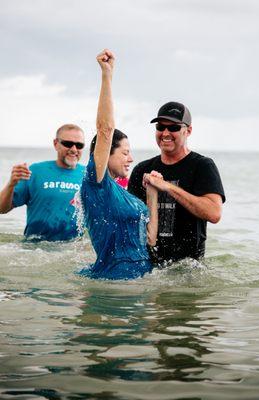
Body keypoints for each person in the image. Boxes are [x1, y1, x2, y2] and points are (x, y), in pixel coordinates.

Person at [79, 49, 160, 280]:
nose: (131, 159)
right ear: (105, 153)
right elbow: (105, 130)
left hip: (144, 278)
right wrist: (107, 76)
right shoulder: (97, 185)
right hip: (114, 280)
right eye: (125, 152)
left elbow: (151, 239)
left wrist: (152, 193)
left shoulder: (128, 197)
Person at [128, 101, 226, 265]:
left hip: (188, 268)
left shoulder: (202, 166)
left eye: (173, 128)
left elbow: (214, 213)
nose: (165, 133)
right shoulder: (142, 169)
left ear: (188, 131)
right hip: (147, 266)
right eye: (160, 127)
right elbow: (131, 220)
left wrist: (167, 186)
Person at [0, 124, 85, 241]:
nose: (74, 149)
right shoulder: (35, 171)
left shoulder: (88, 176)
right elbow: (2, 209)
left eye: (79, 145)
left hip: (73, 249)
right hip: (36, 248)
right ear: (56, 144)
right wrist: (11, 184)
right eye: (68, 144)